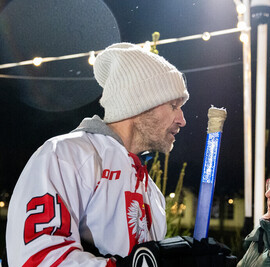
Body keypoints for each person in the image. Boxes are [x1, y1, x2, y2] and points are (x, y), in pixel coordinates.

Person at [6, 42, 189, 266]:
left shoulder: (151, 192)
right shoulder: (65, 156)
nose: (182, 119)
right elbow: (38, 258)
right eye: (173, 105)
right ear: (141, 104)